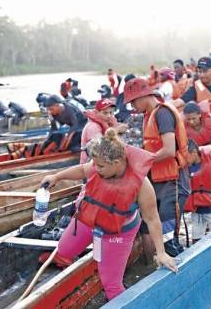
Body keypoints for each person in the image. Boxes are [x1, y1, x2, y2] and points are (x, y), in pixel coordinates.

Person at [41, 129, 178, 301]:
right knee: (64, 250)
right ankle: (94, 255)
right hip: (89, 220)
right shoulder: (99, 164)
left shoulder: (142, 185)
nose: (95, 169)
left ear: (117, 162)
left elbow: (152, 219)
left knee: (111, 285)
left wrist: (161, 252)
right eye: (95, 164)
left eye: (100, 166)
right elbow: (83, 170)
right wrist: (56, 176)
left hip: (118, 231)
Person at [123, 78, 190, 257]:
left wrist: (142, 161)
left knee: (168, 235)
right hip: (157, 179)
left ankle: (179, 270)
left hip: (173, 181)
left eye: (133, 102)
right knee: (150, 225)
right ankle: (152, 267)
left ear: (143, 96)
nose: (132, 107)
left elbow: (169, 150)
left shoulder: (163, 114)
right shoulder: (148, 115)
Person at [8, 94, 86, 159]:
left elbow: (75, 127)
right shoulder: (53, 113)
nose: (50, 111)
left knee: (70, 144)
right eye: (48, 109)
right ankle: (23, 148)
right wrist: (48, 139)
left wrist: (66, 142)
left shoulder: (70, 109)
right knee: (53, 139)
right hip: (72, 127)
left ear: (58, 105)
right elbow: (54, 129)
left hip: (82, 126)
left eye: (51, 109)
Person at [80, 98, 128, 163]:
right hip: (90, 162)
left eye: (111, 112)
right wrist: (116, 130)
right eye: (105, 113)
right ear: (97, 112)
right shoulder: (93, 127)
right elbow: (100, 147)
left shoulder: (109, 121)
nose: (109, 116)